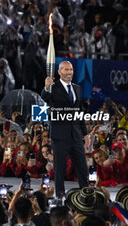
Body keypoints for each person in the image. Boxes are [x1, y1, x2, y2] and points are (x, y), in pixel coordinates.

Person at [41, 60, 90, 196]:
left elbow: (80, 113)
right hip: (59, 136)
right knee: (60, 169)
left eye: (71, 70)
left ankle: (86, 194)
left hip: (76, 136)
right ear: (59, 72)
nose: (69, 72)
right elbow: (44, 98)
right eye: (66, 70)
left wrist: (85, 133)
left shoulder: (77, 88)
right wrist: (46, 87)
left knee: (82, 168)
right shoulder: (53, 87)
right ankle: (60, 195)